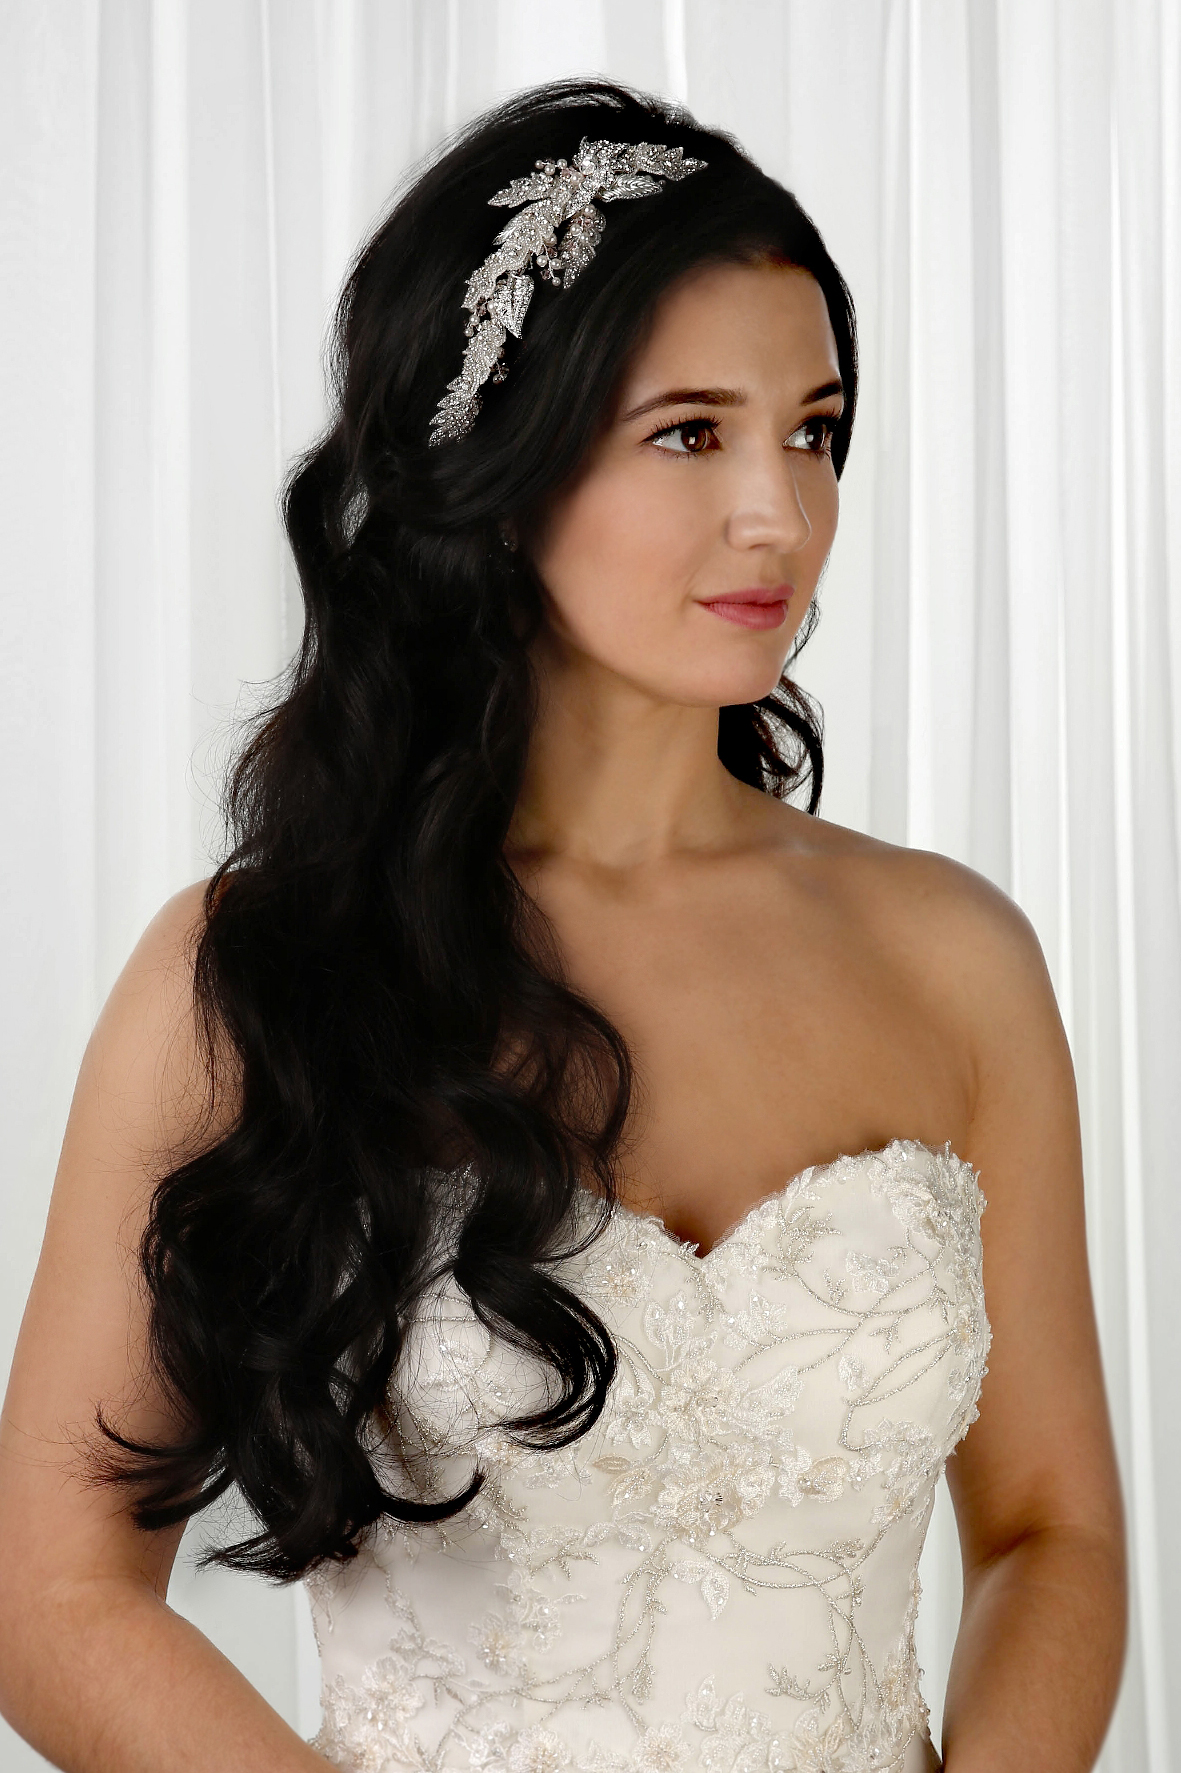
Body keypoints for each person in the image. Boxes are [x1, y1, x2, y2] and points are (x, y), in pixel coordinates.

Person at [0, 76, 1125, 1773]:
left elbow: (1054, 1528)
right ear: (496, 471)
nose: (780, 513)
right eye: (690, 433)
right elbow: (54, 1594)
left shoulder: (956, 958)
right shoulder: (248, 974)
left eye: (812, 429)